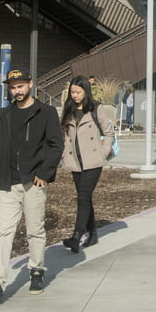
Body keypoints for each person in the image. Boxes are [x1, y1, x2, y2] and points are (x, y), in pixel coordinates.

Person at [0, 69, 64, 303]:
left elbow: (56, 146)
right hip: (7, 182)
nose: (17, 91)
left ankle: (36, 270)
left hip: (34, 181)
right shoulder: (6, 114)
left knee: (35, 229)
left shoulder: (46, 112)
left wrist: (45, 172)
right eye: (13, 87)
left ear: (30, 84)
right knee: (4, 231)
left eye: (21, 86)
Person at [58, 75, 114, 253]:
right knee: (85, 197)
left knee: (82, 197)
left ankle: (76, 235)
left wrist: (103, 153)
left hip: (93, 162)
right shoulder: (68, 110)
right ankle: (92, 232)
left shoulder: (96, 109)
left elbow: (109, 132)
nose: (74, 95)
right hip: (75, 161)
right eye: (72, 92)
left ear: (86, 92)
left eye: (78, 92)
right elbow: (62, 135)